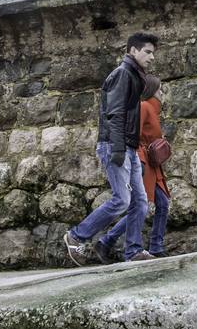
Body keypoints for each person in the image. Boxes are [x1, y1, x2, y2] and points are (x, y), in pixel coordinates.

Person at [64, 32, 158, 265]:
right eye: (147, 51)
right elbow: (114, 113)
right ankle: (76, 236)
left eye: (153, 52)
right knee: (122, 200)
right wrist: (118, 149)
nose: (152, 57)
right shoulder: (122, 74)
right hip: (115, 145)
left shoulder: (134, 76)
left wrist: (132, 150)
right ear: (133, 50)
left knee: (140, 201)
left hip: (128, 147)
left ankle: (133, 250)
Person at [95, 76, 170, 261]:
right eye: (159, 89)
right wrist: (137, 160)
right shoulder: (144, 106)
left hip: (153, 166)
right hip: (143, 163)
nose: (162, 93)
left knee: (162, 203)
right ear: (152, 90)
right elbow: (132, 134)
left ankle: (156, 246)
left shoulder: (153, 110)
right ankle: (107, 240)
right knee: (139, 207)